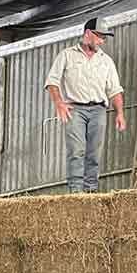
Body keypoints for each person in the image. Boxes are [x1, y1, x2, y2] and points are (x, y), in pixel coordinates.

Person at [44, 16, 126, 193]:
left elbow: (115, 90)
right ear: (88, 33)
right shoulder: (67, 55)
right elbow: (52, 81)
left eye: (104, 38)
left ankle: (91, 191)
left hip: (99, 110)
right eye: (100, 37)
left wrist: (120, 113)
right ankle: (75, 192)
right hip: (75, 109)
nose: (102, 41)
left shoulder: (106, 61)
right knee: (76, 151)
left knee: (94, 153)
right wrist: (59, 103)